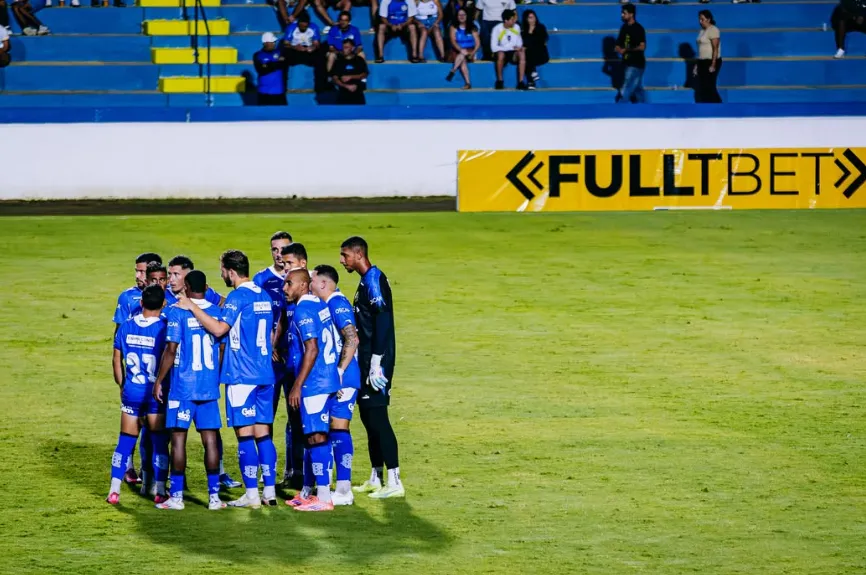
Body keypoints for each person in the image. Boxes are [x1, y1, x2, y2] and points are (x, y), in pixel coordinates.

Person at [175, 250, 277, 508]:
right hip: (266, 374)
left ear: (231, 271)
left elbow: (220, 328)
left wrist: (192, 307)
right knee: (263, 434)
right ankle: (270, 492)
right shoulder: (263, 294)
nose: (221, 274)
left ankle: (252, 494)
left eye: (222, 269)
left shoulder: (237, 296)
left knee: (245, 435)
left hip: (242, 374)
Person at [153, 271, 226, 511]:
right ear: (206, 286)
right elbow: (222, 348)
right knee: (211, 440)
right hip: (208, 387)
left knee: (178, 441)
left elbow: (171, 349)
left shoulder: (178, 312)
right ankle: (214, 498)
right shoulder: (215, 312)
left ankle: (176, 497)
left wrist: (159, 380)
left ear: (185, 286)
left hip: (182, 388)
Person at [339, 237, 404, 499]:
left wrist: (377, 360)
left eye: (345, 255)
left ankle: (395, 480)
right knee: (368, 419)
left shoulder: (373, 280)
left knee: (379, 419)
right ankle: (376, 476)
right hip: (366, 362)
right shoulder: (366, 281)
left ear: (358, 254)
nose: (342, 260)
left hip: (375, 365)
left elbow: (383, 320)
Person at [282, 268, 342, 511]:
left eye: (289, 284)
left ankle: (324, 497)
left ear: (304, 285)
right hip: (327, 378)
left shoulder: (303, 310)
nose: (284, 288)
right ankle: (308, 491)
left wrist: (297, 385)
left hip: (314, 382)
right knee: (311, 435)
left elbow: (312, 348)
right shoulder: (319, 304)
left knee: (316, 437)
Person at [106, 285, 169, 505]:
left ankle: (114, 490)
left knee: (125, 442)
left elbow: (116, 360)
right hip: (155, 393)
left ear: (141, 303)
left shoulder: (125, 326)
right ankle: (159, 490)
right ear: (164, 304)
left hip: (131, 391)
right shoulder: (164, 328)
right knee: (159, 443)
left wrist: (123, 385)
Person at [310, 264, 360, 506]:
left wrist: (339, 373)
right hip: (336, 375)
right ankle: (331, 486)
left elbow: (353, 338)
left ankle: (344, 489)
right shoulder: (326, 304)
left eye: (312, 281)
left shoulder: (337, 303)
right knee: (331, 427)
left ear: (323, 283)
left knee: (339, 428)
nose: (309, 285)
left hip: (345, 376)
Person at [615, 3, 646, 104]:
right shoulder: (624, 28)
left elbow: (642, 46)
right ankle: (645, 110)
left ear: (631, 14)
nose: (622, 15)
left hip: (636, 63)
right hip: (627, 63)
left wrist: (627, 50)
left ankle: (620, 108)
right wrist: (619, 49)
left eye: (624, 13)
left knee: (626, 87)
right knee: (637, 90)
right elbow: (618, 44)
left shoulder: (638, 28)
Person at [491, 9, 528, 90]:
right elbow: (493, 47)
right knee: (501, 54)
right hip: (501, 53)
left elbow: (519, 43)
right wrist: (509, 48)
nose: (514, 21)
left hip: (513, 54)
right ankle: (500, 81)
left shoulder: (517, 27)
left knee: (522, 53)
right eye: (512, 19)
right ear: (506, 20)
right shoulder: (497, 29)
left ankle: (521, 82)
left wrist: (518, 48)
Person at [446, 6, 480, 89]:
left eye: (463, 15)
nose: (461, 17)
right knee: (463, 59)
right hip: (456, 50)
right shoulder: (453, 27)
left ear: (467, 16)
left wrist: (473, 52)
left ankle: (453, 70)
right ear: (457, 17)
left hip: (470, 51)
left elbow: (478, 43)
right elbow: (453, 41)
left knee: (463, 54)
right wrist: (461, 50)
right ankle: (468, 83)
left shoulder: (472, 27)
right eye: (459, 15)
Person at [694, 9, 722, 103]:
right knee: (702, 86)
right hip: (702, 61)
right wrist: (697, 65)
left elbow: (715, 48)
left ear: (708, 19)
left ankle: (718, 105)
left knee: (710, 85)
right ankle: (706, 107)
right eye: (699, 19)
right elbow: (701, 49)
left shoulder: (713, 30)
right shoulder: (702, 31)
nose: (700, 21)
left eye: (702, 19)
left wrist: (713, 64)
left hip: (711, 61)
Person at [254, 32, 288, 106]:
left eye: (274, 42)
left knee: (282, 116)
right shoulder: (258, 55)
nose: (274, 44)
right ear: (265, 43)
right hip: (264, 93)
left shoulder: (280, 52)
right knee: (263, 116)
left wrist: (268, 65)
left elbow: (284, 63)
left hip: (279, 93)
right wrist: (277, 62)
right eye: (272, 42)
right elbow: (261, 70)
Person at [331, 38, 369, 104]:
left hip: (358, 93)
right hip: (343, 94)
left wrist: (351, 77)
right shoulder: (338, 61)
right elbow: (335, 78)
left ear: (352, 48)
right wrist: (346, 86)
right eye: (343, 47)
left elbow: (364, 74)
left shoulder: (359, 60)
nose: (344, 49)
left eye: (346, 47)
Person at [521, 9, 548, 89]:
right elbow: (525, 42)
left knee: (528, 52)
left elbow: (541, 41)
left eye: (533, 17)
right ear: (526, 19)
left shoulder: (541, 27)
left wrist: (529, 43)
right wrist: (530, 31)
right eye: (530, 17)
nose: (533, 19)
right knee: (526, 54)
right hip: (530, 55)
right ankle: (532, 78)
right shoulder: (524, 31)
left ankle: (531, 80)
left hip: (541, 54)